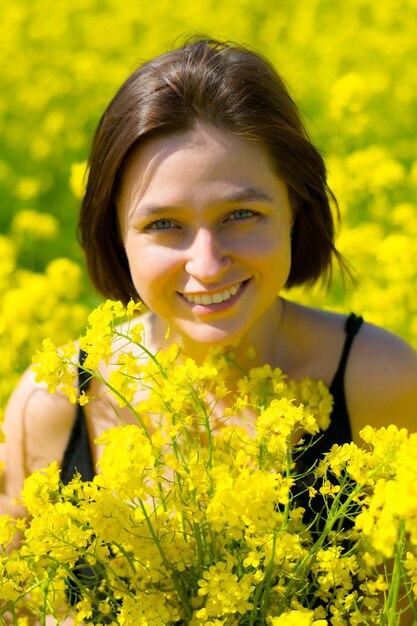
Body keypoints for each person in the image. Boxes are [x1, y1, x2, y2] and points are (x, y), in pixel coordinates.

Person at [1, 34, 417, 559]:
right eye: (164, 224)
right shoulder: (54, 403)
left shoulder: (383, 382)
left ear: (296, 210)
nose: (207, 263)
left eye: (241, 215)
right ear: (116, 236)